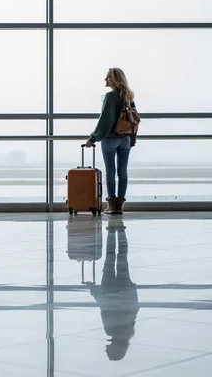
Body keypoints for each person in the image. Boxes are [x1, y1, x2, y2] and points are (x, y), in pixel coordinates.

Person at [85, 68, 136, 214]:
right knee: (123, 171)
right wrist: (132, 139)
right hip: (126, 139)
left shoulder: (110, 96)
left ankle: (112, 205)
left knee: (110, 171)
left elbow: (105, 122)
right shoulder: (128, 96)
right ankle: (120, 205)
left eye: (108, 77)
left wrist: (93, 138)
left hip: (111, 139)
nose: (105, 80)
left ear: (114, 79)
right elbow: (134, 120)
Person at [89, 216, 139, 361]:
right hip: (109, 288)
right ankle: (112, 231)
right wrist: (93, 291)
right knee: (110, 257)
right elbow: (104, 306)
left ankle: (120, 231)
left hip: (124, 288)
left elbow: (134, 306)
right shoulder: (110, 329)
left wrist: (132, 288)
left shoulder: (130, 329)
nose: (106, 347)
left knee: (122, 256)